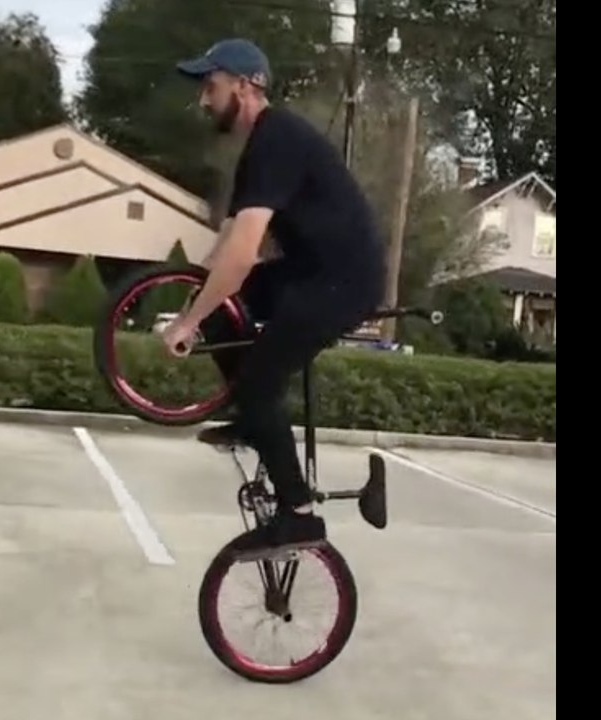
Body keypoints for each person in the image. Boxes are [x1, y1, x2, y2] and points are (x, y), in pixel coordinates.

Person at [160, 38, 387, 558]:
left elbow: (242, 258)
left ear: (245, 86)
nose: (203, 101)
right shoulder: (259, 144)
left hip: (341, 280)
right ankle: (255, 417)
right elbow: (230, 238)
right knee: (221, 315)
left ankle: (298, 514)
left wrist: (187, 323)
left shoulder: (277, 137)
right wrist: (196, 301)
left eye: (211, 88)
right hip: (309, 271)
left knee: (260, 379)